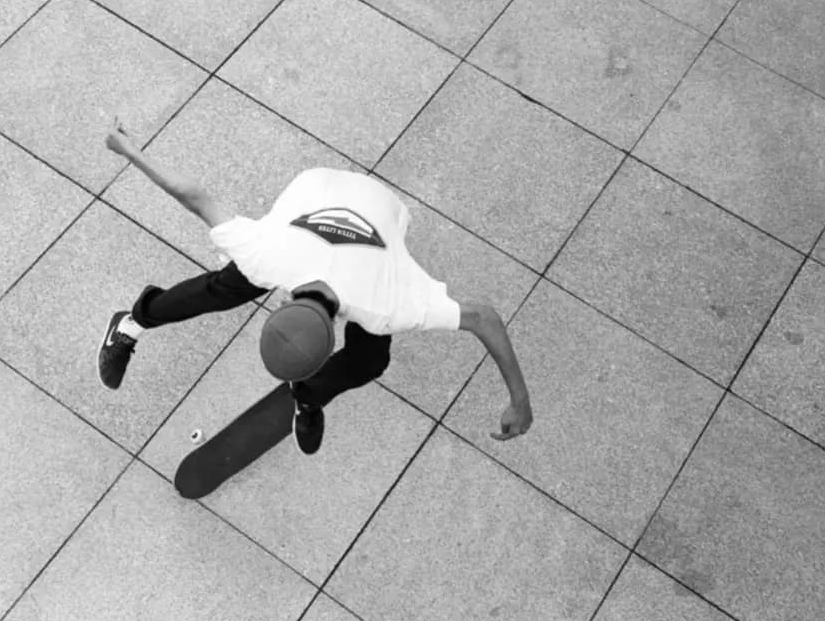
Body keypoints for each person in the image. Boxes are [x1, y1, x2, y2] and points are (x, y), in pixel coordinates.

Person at [96, 120, 533, 454]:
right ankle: (132, 321)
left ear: (281, 299)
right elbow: (482, 317)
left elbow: (484, 317)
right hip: (315, 188)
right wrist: (127, 147)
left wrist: (521, 400)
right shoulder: (267, 257)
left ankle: (308, 398)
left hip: (382, 206)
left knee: (369, 359)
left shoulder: (385, 302)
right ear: (283, 300)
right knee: (226, 286)